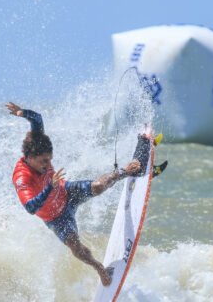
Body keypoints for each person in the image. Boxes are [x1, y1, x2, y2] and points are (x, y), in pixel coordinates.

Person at [8, 102, 145, 287]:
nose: (48, 164)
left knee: (97, 186)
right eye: (43, 161)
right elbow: (30, 207)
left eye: (50, 159)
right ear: (30, 158)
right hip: (56, 218)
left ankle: (125, 171)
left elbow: (37, 119)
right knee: (75, 246)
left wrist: (21, 112)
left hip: (67, 192)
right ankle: (100, 269)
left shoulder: (38, 145)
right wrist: (49, 188)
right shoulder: (22, 177)